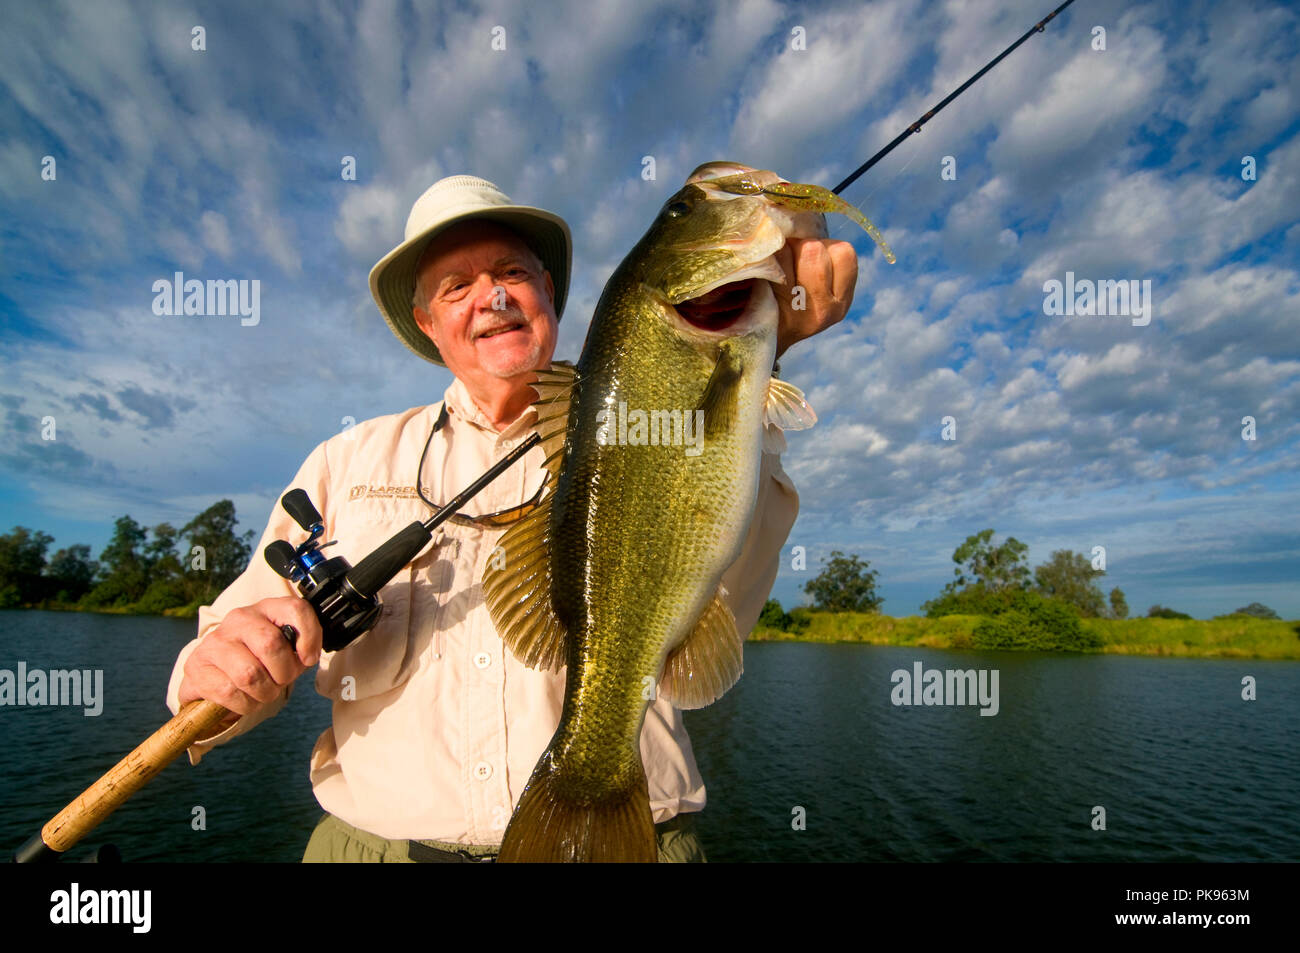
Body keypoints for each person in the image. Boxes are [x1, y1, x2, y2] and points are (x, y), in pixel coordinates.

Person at [165, 169, 858, 862]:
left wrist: (759, 358)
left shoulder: (652, 421)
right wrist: (218, 668)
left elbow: (725, 608)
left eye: (511, 272)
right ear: (429, 324)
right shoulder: (347, 459)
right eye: (456, 286)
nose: (492, 296)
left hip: (622, 843)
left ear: (548, 293)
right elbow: (217, 669)